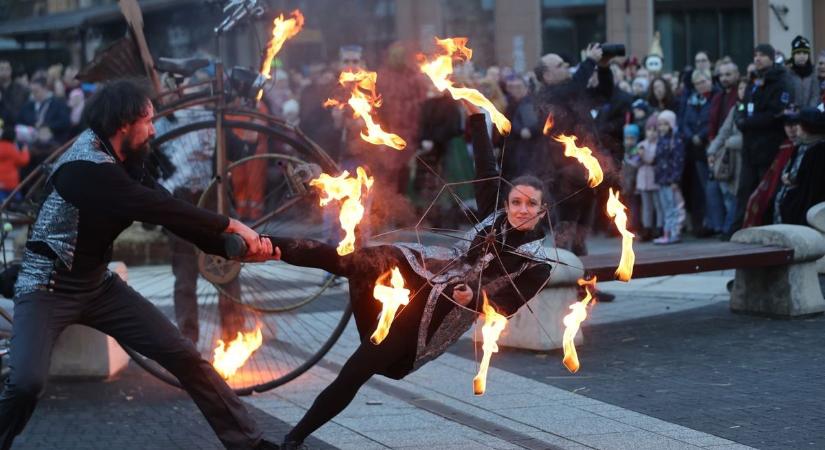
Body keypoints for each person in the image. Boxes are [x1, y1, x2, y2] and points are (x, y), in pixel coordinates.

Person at [0, 79, 279, 450]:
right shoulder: (88, 166)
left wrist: (234, 249)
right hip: (45, 286)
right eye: (147, 121)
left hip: (97, 286)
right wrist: (230, 224)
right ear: (124, 124)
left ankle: (250, 444)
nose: (153, 129)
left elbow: (173, 215)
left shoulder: (126, 161)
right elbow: (155, 206)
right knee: (26, 383)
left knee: (184, 355)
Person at [272, 107, 552, 449]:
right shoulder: (493, 213)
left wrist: (475, 298)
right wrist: (477, 113)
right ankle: (260, 246)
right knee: (352, 261)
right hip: (417, 269)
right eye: (516, 201)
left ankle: (292, 439)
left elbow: (506, 305)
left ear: (542, 210)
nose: (521, 209)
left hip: (429, 316)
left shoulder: (539, 264)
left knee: (356, 370)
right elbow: (485, 166)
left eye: (530, 204)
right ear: (507, 202)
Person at [535, 43, 614, 256]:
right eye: (560, 65)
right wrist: (589, 62)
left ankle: (585, 286)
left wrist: (604, 68)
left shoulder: (572, 91)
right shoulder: (548, 96)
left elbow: (604, 93)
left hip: (586, 171)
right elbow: (573, 88)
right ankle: (563, 281)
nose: (567, 66)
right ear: (547, 75)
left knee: (581, 235)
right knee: (565, 234)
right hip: (563, 177)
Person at [732, 44, 792, 232]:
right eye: (755, 55)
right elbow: (743, 105)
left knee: (765, 190)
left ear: (771, 58)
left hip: (768, 146)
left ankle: (764, 229)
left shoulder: (781, 82)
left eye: (762, 55)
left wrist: (747, 123)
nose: (757, 58)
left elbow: (775, 114)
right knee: (744, 190)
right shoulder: (753, 82)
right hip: (750, 146)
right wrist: (740, 118)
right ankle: (739, 229)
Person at [772, 106, 825, 224]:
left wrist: (790, 178)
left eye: (799, 124)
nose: (795, 128)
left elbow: (810, 181)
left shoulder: (819, 150)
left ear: (808, 127)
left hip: (803, 209)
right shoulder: (801, 146)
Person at [653, 110, 686, 244]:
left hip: (671, 181)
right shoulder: (661, 140)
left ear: (671, 124)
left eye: (665, 124)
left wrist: (675, 179)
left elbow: (678, 162)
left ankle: (675, 232)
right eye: (660, 125)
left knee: (675, 207)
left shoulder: (676, 141)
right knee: (666, 208)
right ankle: (667, 233)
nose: (662, 128)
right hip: (662, 180)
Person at [636, 114, 662, 241]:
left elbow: (652, 159)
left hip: (655, 180)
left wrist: (643, 155)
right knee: (646, 207)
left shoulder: (659, 145)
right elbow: (635, 162)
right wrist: (637, 156)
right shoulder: (641, 144)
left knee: (658, 205)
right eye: (649, 130)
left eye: (654, 130)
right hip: (643, 181)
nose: (651, 133)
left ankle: (659, 227)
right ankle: (647, 228)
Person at [0, 119, 29, 203]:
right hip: (10, 182)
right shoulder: (12, 149)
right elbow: (23, 161)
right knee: (16, 201)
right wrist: (25, 151)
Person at [787, 35, 820, 108]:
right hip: (792, 114)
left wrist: (809, 110)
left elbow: (815, 95)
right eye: (798, 53)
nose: (802, 56)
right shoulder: (788, 74)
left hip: (809, 114)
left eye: (805, 53)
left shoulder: (813, 73)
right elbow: (786, 94)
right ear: (793, 55)